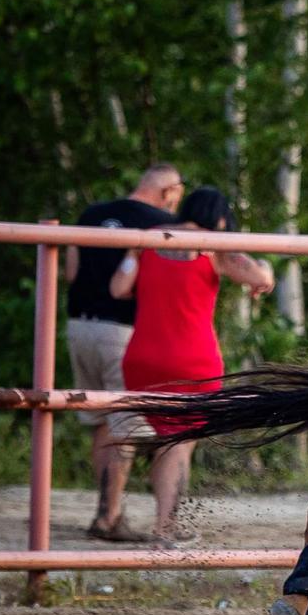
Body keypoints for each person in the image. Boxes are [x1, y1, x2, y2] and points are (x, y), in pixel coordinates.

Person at [110, 186, 274, 545]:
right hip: (193, 359)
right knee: (179, 443)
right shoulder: (214, 245)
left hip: (143, 357)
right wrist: (266, 266)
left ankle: (134, 518)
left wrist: (135, 257)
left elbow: (119, 288)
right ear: (218, 218)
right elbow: (259, 279)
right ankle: (166, 526)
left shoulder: (148, 239)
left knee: (160, 437)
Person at [66, 162, 184, 541]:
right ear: (168, 192)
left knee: (101, 421)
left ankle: (108, 513)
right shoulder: (159, 225)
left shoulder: (91, 214)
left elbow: (71, 272)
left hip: (78, 326)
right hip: (122, 330)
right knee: (126, 429)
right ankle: (109, 518)